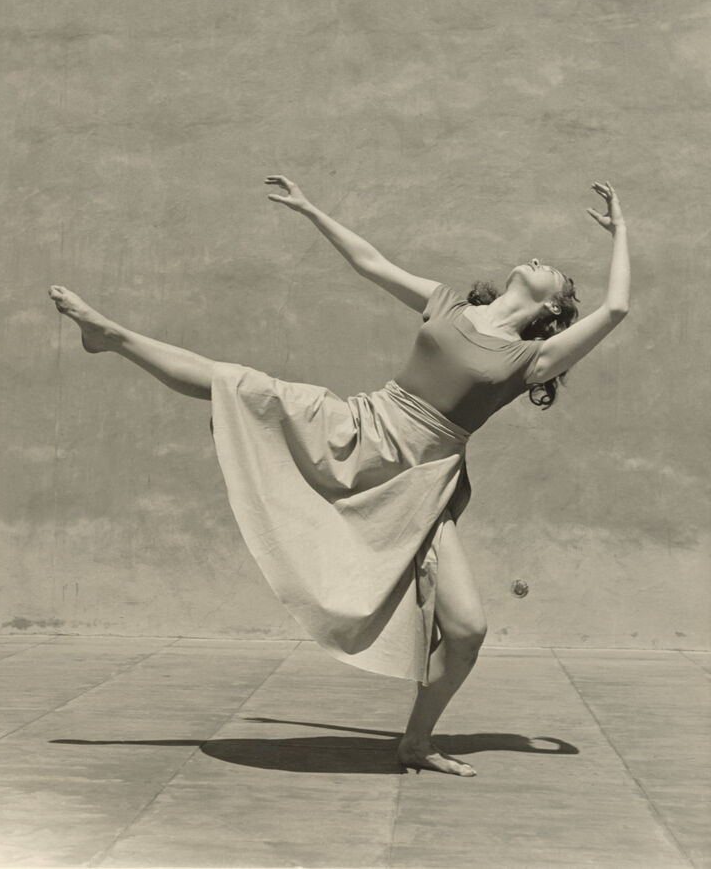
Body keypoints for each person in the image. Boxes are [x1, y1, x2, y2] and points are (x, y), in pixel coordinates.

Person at [48, 176, 630, 777]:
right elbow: (370, 262)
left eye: (553, 270)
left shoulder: (533, 359)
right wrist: (312, 211)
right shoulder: (450, 304)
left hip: (421, 484)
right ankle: (112, 336)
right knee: (237, 385)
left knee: (467, 631)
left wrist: (621, 233)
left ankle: (416, 742)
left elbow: (616, 309)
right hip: (361, 427)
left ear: (554, 307)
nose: (538, 259)